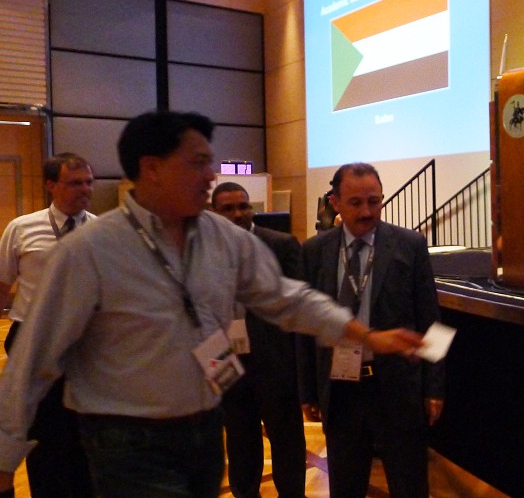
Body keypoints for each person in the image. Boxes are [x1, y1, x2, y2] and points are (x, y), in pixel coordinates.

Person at [0, 111, 423, 498]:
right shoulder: (89, 251)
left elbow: (287, 298)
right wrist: (4, 457)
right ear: (152, 168)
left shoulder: (224, 239)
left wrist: (364, 335)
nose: (210, 175)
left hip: (204, 431)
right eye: (197, 163)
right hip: (127, 441)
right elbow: (33, 358)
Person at [299, 163, 445, 498]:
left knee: (410, 486)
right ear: (335, 202)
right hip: (340, 390)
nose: (367, 212)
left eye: (374, 201)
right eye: (356, 203)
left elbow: (432, 321)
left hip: (397, 387)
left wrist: (435, 387)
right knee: (345, 486)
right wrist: (307, 390)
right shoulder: (315, 251)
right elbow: (306, 325)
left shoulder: (410, 245)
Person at [0, 153, 96, 498]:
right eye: (75, 182)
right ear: (51, 185)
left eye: (88, 182)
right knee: (41, 430)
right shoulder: (21, 228)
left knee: (83, 428)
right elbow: (2, 285)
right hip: (32, 339)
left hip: (83, 342)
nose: (85, 189)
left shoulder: (101, 231)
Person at [210, 182, 307, 498]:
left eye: (243, 206)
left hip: (275, 365)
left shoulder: (281, 245)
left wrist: (299, 371)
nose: (238, 214)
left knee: (287, 444)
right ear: (214, 213)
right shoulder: (203, 251)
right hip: (227, 363)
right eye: (228, 208)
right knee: (240, 444)